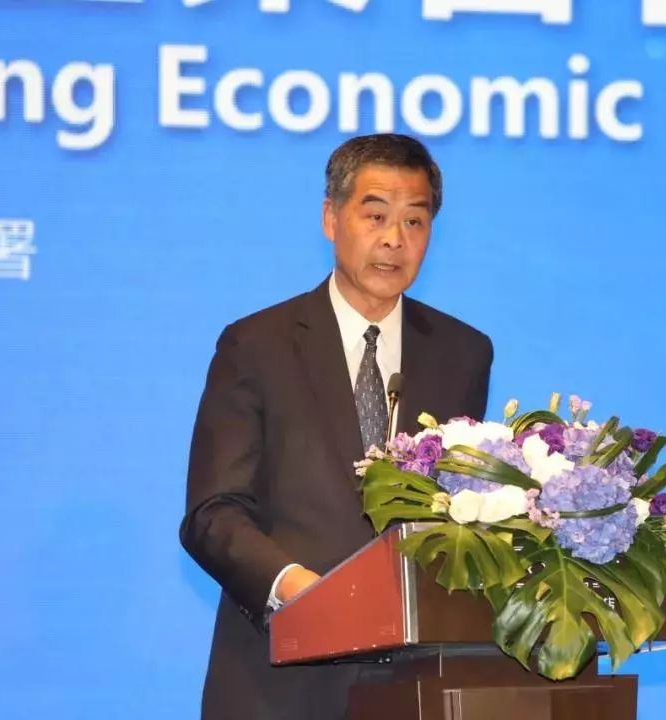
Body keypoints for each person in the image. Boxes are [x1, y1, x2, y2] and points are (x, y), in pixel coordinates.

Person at [179, 133, 494, 719]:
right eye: (375, 215)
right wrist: (298, 590)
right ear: (331, 218)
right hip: (280, 680)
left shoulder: (463, 352)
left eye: (415, 221)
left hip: (414, 685)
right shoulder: (257, 345)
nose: (394, 239)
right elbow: (212, 514)